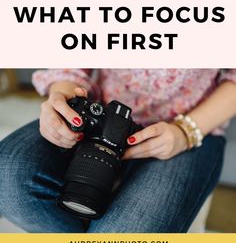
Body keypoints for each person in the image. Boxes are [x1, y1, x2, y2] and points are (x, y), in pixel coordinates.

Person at [0, 69, 236, 233]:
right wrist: (63, 98)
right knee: (7, 176)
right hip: (103, 110)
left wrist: (186, 131)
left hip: (190, 120)